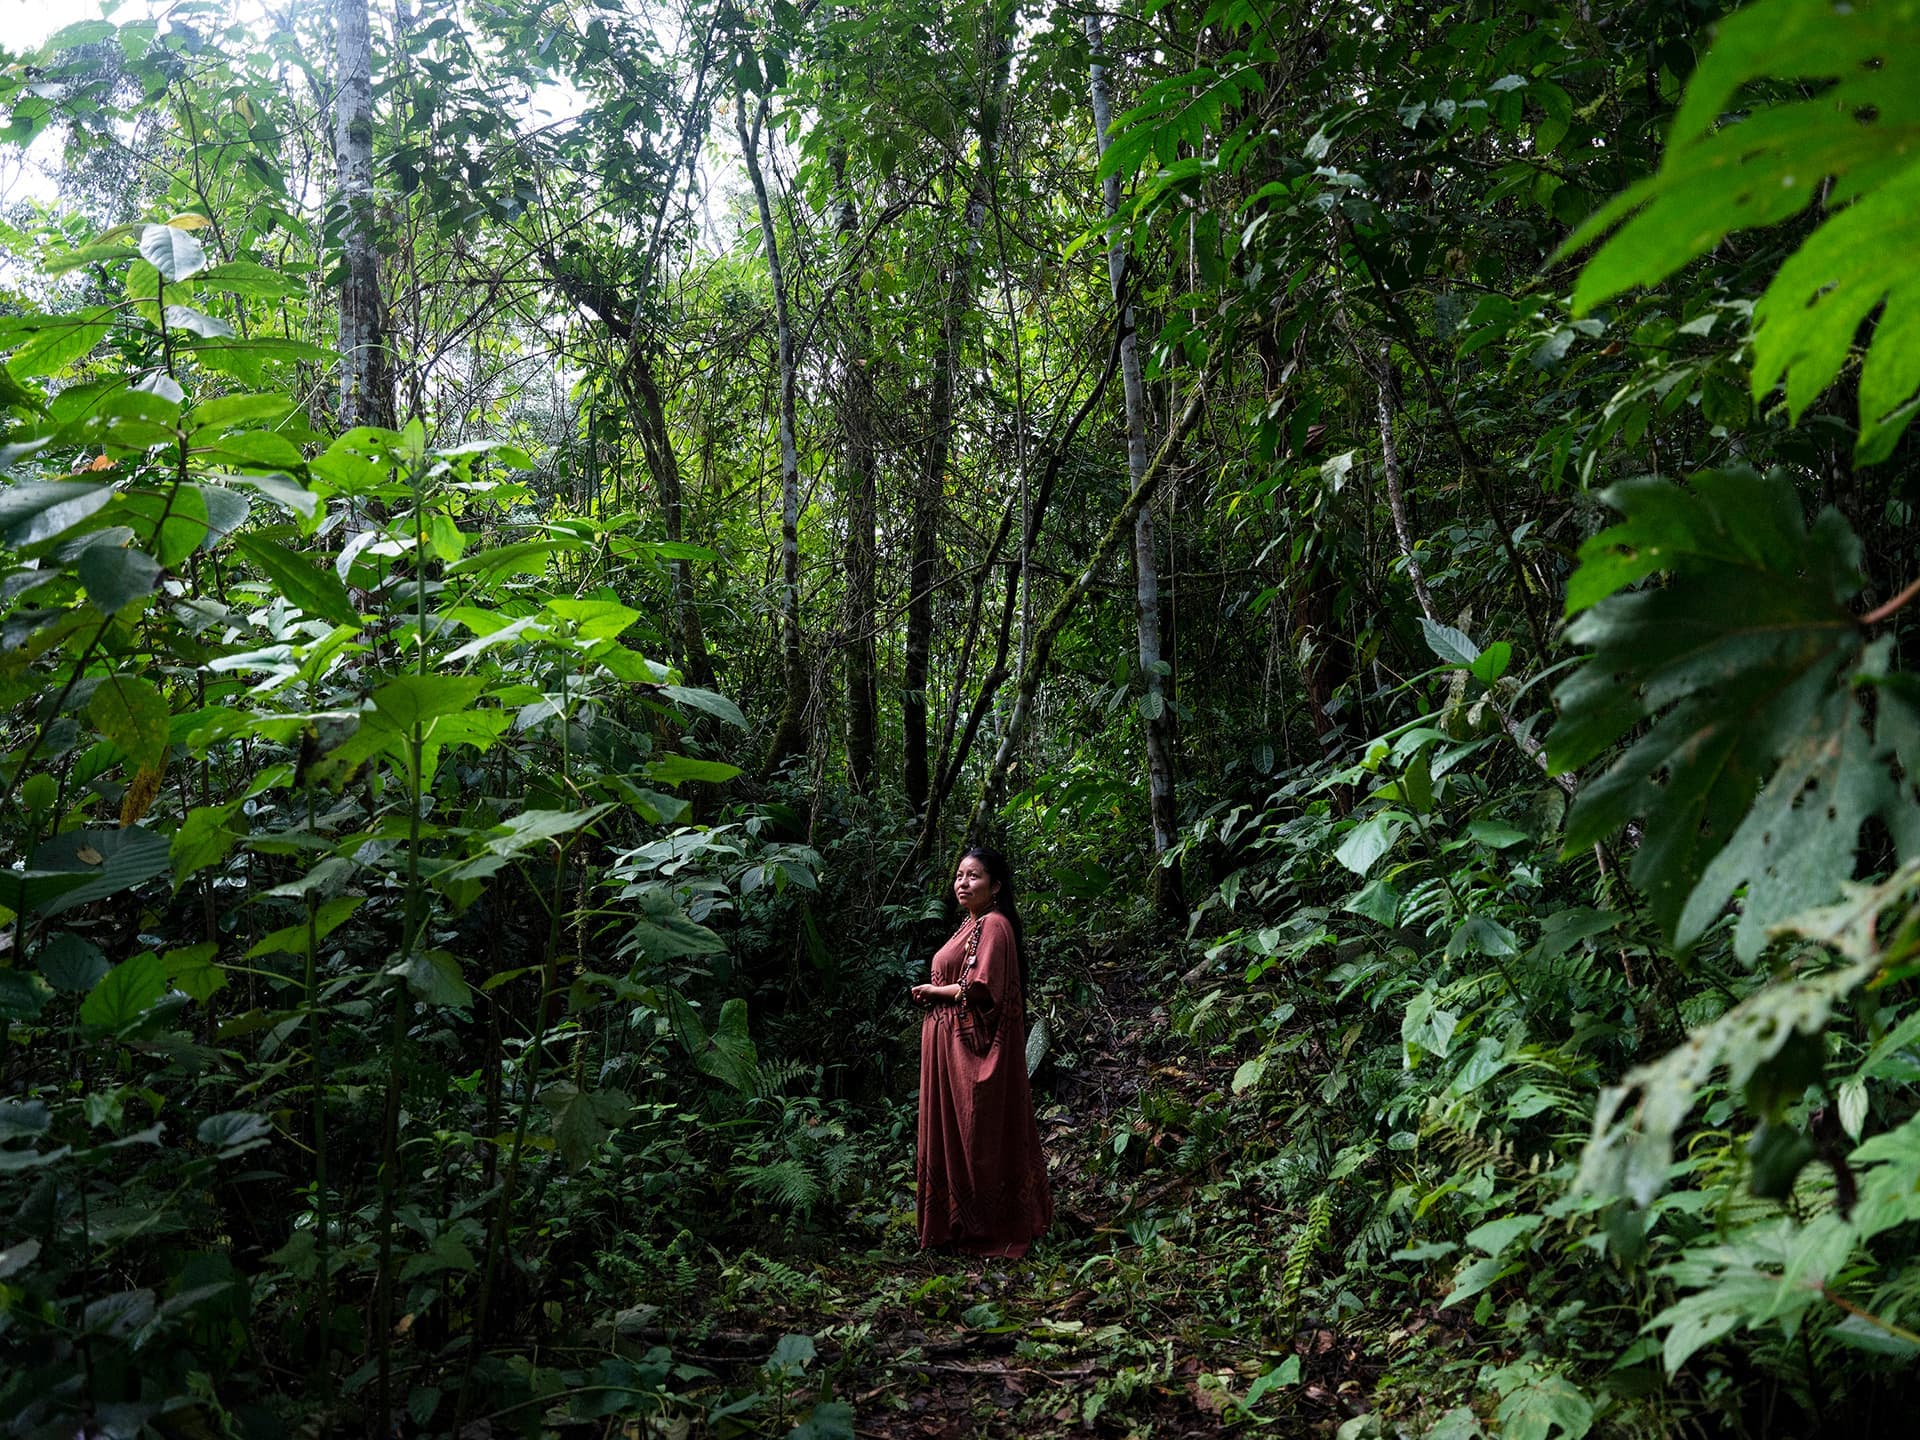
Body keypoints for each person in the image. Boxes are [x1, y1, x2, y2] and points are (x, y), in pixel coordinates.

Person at [910, 845, 1053, 1257]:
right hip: (947, 1048)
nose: (963, 883)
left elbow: (981, 987)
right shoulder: (969, 924)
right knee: (954, 1132)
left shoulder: (994, 925)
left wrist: (935, 991)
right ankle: (953, 1224)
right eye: (959, 876)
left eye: (973, 876)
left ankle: (986, 1226)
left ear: (996, 886)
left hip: (970, 1050)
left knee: (975, 1133)